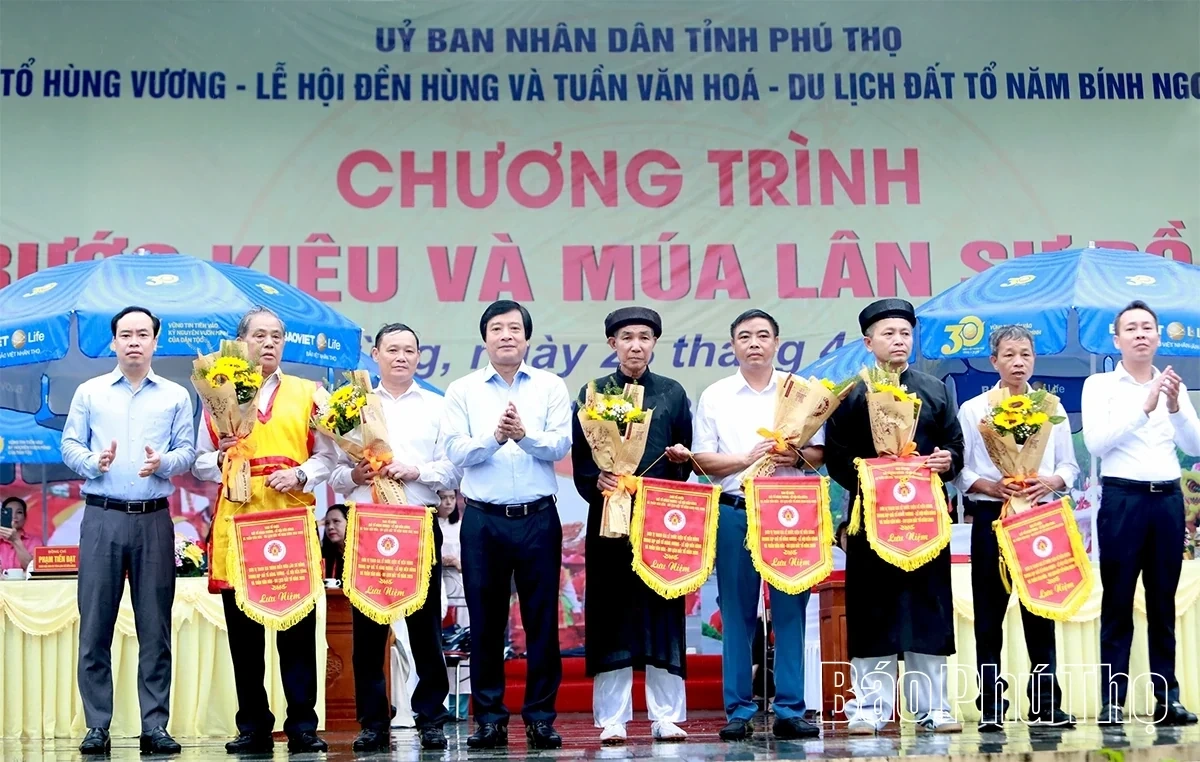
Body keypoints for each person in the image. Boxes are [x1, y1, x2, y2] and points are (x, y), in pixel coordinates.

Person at [192, 306, 336, 754]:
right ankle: (252, 724)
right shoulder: (219, 393)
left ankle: (302, 725)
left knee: (296, 629)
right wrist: (223, 457)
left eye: (277, 335)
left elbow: (330, 458)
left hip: (290, 519)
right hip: (239, 525)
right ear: (241, 343)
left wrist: (302, 475)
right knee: (245, 633)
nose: (269, 343)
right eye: (260, 335)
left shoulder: (309, 392)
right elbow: (198, 462)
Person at [823, 298, 965, 734]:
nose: (898, 340)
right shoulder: (851, 394)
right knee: (873, 609)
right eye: (888, 333)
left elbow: (955, 449)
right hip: (872, 520)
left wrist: (946, 461)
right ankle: (870, 707)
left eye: (905, 333)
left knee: (928, 609)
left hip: (923, 518)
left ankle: (933, 707)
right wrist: (872, 476)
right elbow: (836, 457)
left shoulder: (935, 390)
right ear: (869, 342)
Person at [60, 306, 196, 755]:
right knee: (94, 625)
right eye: (126, 334)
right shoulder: (90, 392)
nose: (134, 341)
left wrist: (165, 463)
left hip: (155, 518)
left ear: (156, 341)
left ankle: (154, 726)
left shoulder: (176, 396)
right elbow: (70, 444)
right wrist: (90, 462)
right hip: (101, 516)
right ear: (113, 342)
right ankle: (97, 725)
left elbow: (187, 452)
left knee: (155, 629)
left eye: (143, 334)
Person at [440, 299, 572, 749]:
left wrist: (524, 436)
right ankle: (490, 719)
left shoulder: (550, 386)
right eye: (497, 329)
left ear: (527, 338)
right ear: (485, 339)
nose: (506, 336)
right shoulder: (462, 390)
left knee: (541, 622)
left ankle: (540, 717)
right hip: (483, 520)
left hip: (537, 517)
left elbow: (559, 445)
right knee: (485, 622)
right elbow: (456, 451)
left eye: (515, 328)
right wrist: (496, 438)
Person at [692, 309, 824, 741]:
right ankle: (739, 709)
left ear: (777, 342)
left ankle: (789, 708)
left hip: (788, 510)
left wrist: (795, 457)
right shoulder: (715, 395)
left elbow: (819, 454)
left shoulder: (799, 392)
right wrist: (746, 459)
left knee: (790, 611)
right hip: (735, 508)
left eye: (763, 335)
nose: (754, 343)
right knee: (736, 612)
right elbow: (702, 462)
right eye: (745, 336)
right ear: (733, 345)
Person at [328, 322, 460, 751]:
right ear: (377, 355)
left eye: (409, 351)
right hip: (366, 525)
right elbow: (332, 471)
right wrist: (354, 474)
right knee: (368, 631)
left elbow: (452, 469)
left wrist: (416, 471)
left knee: (424, 630)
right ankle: (373, 722)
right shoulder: (353, 405)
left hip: (417, 524)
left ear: (419, 357)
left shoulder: (437, 406)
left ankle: (431, 718)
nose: (401, 357)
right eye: (393, 350)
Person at [571, 306, 695, 743]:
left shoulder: (673, 393)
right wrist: (597, 479)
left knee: (663, 611)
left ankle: (666, 715)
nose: (636, 345)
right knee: (612, 615)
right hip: (609, 519)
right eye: (627, 337)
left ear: (655, 343)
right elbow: (582, 459)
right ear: (612, 344)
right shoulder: (593, 393)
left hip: (661, 520)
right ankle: (613, 718)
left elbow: (685, 456)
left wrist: (681, 462)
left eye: (644, 336)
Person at [953, 325, 1079, 731]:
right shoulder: (975, 410)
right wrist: (991, 485)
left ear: (1034, 359)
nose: (1018, 362)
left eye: (1025, 354)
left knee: (1041, 610)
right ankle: (991, 704)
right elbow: (962, 470)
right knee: (989, 614)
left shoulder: (1051, 408)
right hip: (992, 517)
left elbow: (1069, 466)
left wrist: (1051, 482)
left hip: (1039, 517)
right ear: (994, 361)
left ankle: (1046, 703)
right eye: (1009, 355)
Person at [1081, 300, 1200, 726]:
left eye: (1148, 327)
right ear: (1117, 339)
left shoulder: (1175, 386)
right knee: (1117, 602)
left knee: (1162, 602)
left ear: (1158, 336)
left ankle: (1166, 698)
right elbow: (1096, 443)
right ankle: (1113, 700)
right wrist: (1144, 406)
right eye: (1131, 328)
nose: (1140, 334)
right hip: (1122, 500)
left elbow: (1194, 444)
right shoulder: (1099, 385)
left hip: (1167, 500)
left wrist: (1171, 407)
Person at [437, 488, 471, 720]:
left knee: (463, 648)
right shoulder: (429, 526)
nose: (448, 502)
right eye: (443, 498)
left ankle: (460, 708)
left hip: (460, 590)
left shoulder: (462, 527)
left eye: (452, 498)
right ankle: (439, 704)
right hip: (439, 588)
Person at [0, 496, 37, 571]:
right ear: (2, 515)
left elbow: (33, 570)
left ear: (25, 517)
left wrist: (16, 540)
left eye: (19, 512)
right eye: (9, 512)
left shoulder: (35, 541)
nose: (14, 516)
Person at [321, 503, 348, 579]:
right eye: (327, 523)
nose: (330, 527)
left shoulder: (364, 556)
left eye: (336, 521)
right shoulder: (321, 557)